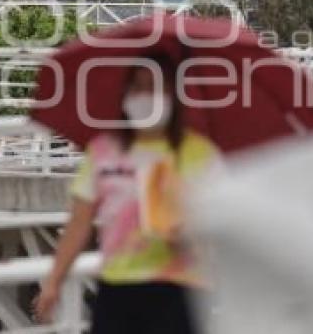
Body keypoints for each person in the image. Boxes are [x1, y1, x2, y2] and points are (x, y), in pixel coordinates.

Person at [34, 54, 220, 333]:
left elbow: (219, 227)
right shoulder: (102, 151)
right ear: (125, 95)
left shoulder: (199, 153)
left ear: (174, 94)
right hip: (117, 287)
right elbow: (79, 222)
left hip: (180, 290)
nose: (146, 96)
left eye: (155, 87)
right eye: (138, 87)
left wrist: (186, 235)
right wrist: (54, 281)